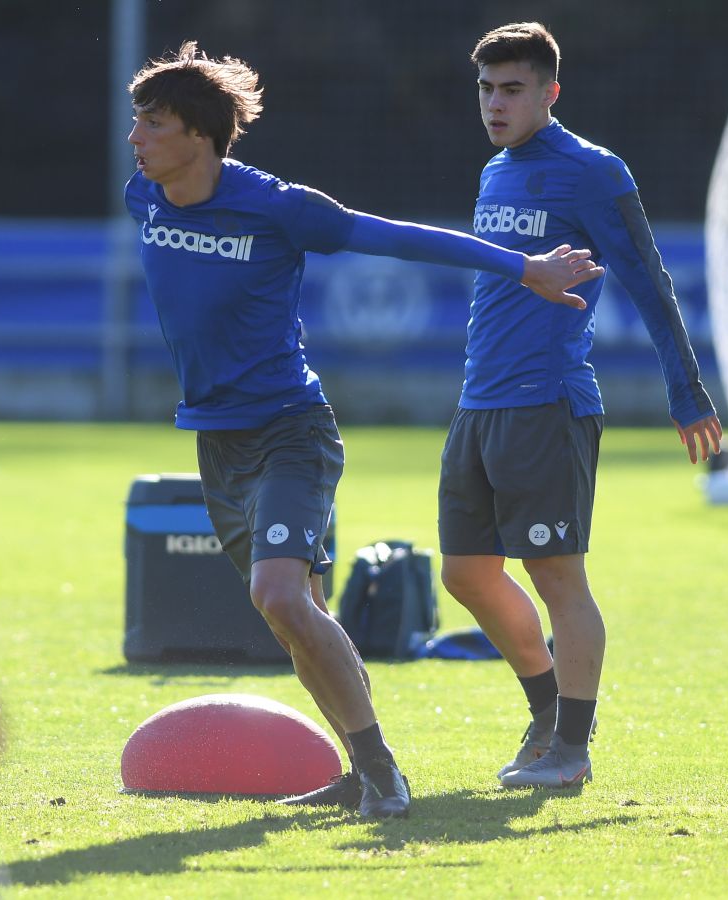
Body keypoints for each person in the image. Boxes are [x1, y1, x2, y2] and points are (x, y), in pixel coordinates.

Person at [125, 41, 604, 818]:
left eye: (152, 124)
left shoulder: (277, 206)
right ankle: (364, 768)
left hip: (290, 431)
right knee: (296, 620)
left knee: (279, 595)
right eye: (135, 124)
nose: (135, 139)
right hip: (216, 440)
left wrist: (524, 268)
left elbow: (400, 236)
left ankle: (383, 774)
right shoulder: (141, 198)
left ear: (199, 135)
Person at [438, 22, 723, 789]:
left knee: (555, 576)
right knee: (463, 573)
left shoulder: (593, 170)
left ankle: (570, 748)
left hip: (547, 402)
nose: (494, 104)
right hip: (479, 402)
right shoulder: (496, 170)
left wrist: (685, 387)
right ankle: (545, 712)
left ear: (549, 92)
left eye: (511, 89)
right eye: (485, 89)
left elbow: (647, 280)